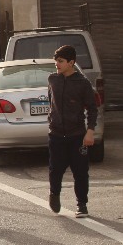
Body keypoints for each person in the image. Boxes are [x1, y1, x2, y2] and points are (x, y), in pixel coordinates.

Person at [47, 45, 97, 218]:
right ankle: (54, 194)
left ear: (71, 62)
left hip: (77, 135)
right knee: (55, 169)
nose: (57, 65)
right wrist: (51, 121)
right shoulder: (52, 79)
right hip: (56, 134)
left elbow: (92, 109)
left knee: (80, 171)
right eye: (56, 61)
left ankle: (81, 204)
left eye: (60, 61)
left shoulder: (83, 83)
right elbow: (50, 102)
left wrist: (90, 131)